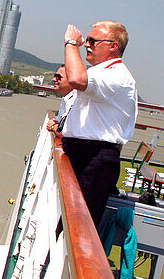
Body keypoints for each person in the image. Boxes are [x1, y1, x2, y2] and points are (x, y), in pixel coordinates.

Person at [59, 21, 138, 228]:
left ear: (113, 46)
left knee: (79, 225)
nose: (87, 44)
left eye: (92, 41)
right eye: (86, 40)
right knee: (67, 220)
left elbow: (76, 79)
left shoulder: (116, 75)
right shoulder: (100, 72)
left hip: (94, 159)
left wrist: (71, 43)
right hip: (82, 154)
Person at [45, 66, 76, 135]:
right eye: (54, 76)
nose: (53, 79)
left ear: (71, 80)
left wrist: (52, 126)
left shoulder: (75, 101)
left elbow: (64, 132)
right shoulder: (66, 99)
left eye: (58, 77)